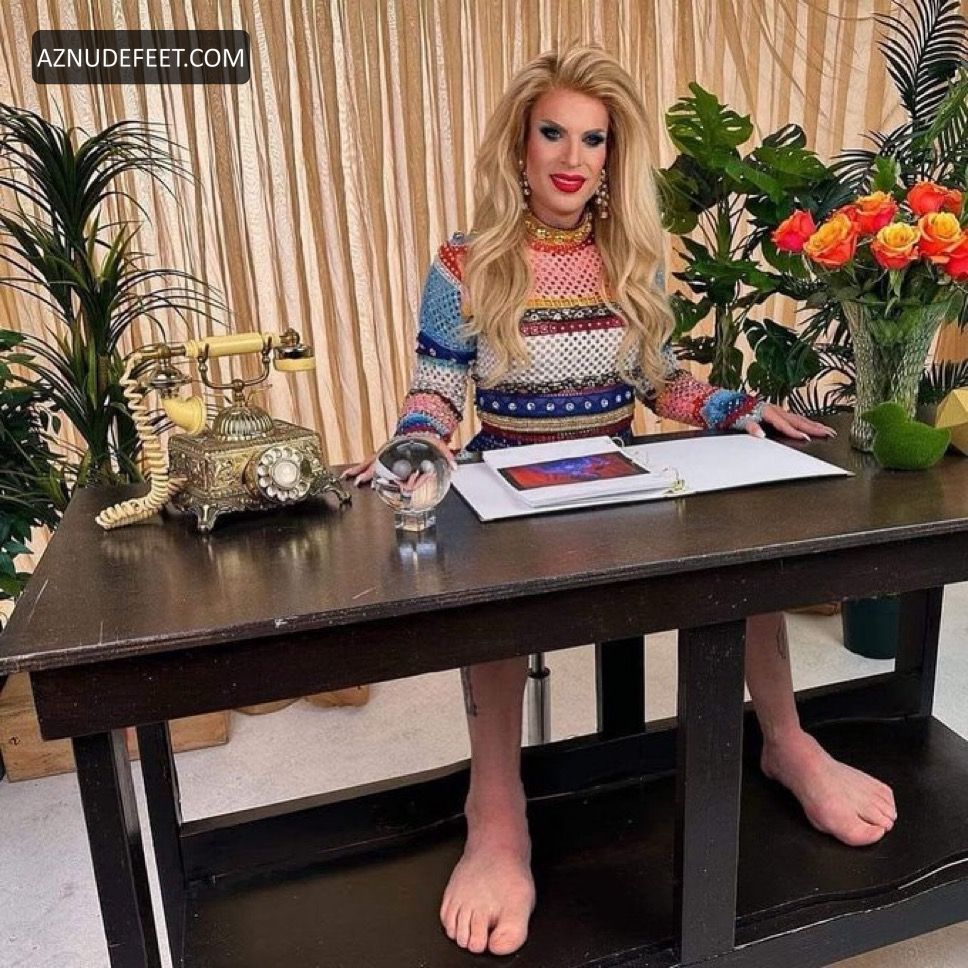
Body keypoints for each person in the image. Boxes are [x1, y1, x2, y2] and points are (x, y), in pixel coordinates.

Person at [344, 44, 897, 958]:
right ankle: (495, 808)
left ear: (612, 155)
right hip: (507, 480)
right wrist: (415, 441)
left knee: (737, 547)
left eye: (593, 139)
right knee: (484, 585)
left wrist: (738, 407)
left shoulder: (630, 257)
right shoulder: (463, 263)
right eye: (553, 133)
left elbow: (660, 381)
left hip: (621, 478)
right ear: (519, 146)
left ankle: (786, 740)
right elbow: (437, 391)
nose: (573, 157)